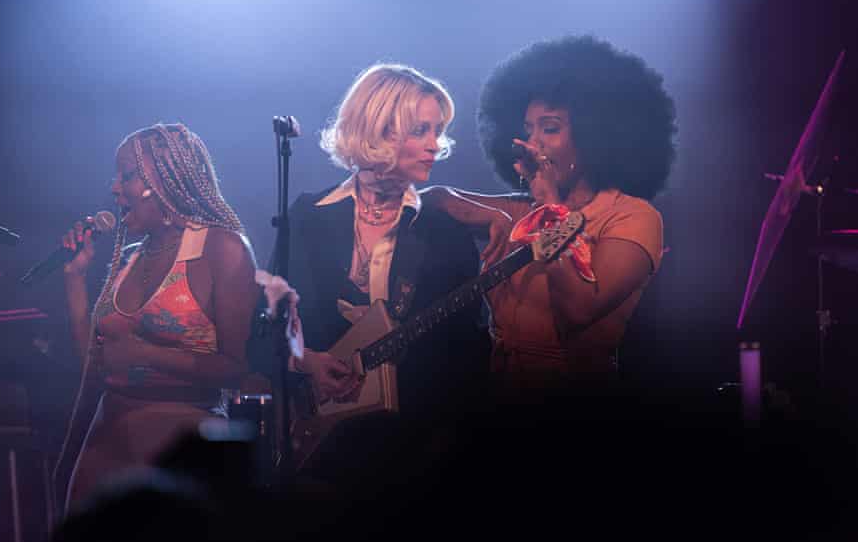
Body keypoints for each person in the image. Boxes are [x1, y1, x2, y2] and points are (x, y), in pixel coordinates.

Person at [263, 63, 488, 494]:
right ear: (380, 130)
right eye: (421, 130)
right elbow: (264, 327)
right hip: (316, 447)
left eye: (438, 131)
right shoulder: (307, 217)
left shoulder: (444, 231)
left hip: (412, 455)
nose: (435, 146)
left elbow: (467, 355)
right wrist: (306, 361)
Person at [422, 35, 676, 395]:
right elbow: (427, 198)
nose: (533, 143)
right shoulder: (518, 210)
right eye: (528, 130)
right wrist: (489, 216)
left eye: (550, 128)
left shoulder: (633, 217)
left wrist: (549, 206)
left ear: (595, 136)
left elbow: (577, 310)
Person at [54, 123, 261, 512]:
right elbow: (90, 365)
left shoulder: (221, 247)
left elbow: (238, 368)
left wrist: (146, 355)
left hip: (183, 448)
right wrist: (75, 278)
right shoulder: (131, 258)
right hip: (106, 442)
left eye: (127, 175)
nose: (115, 187)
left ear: (168, 177)